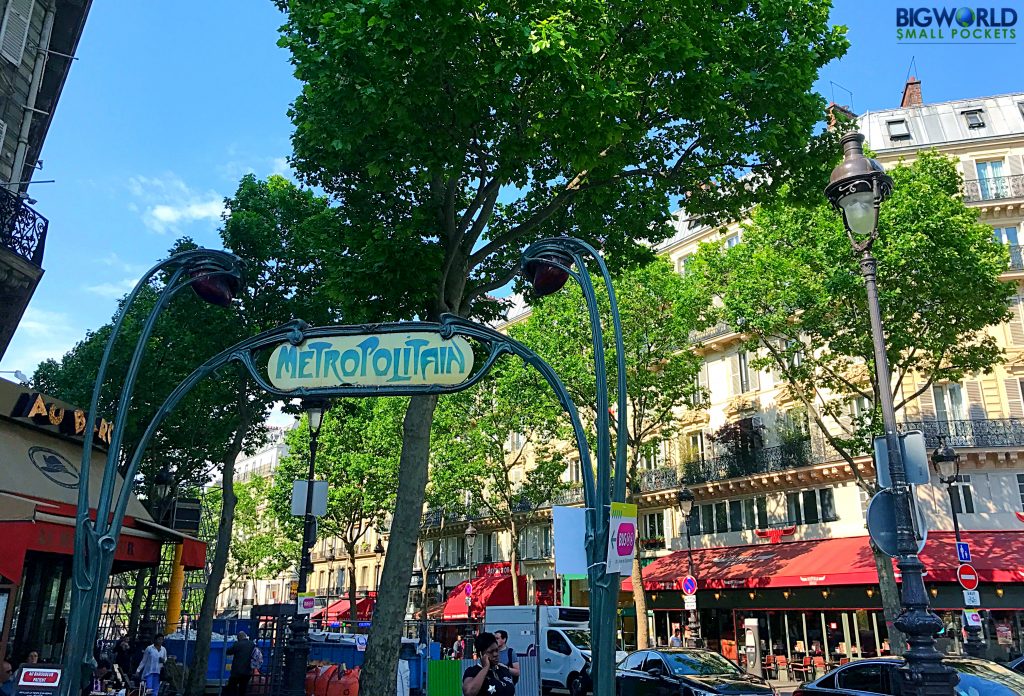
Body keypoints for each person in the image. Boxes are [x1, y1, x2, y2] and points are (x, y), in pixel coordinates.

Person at [223, 632, 256, 696]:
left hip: (237, 672)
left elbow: (228, 651)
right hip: (247, 671)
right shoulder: (252, 644)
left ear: (239, 638)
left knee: (232, 687)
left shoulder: (237, 644)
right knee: (243, 689)